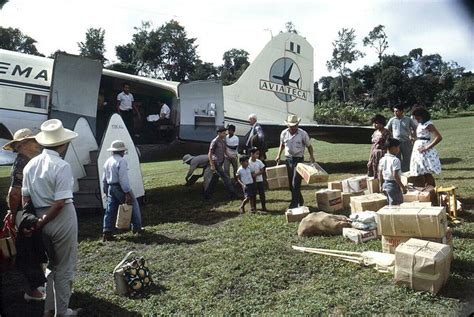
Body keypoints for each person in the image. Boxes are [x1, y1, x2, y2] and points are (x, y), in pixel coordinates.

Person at [22, 119, 80, 316]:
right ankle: (62, 312)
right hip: (60, 219)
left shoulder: (30, 166)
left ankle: (50, 309)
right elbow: (60, 202)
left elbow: (26, 198)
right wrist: (41, 221)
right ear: (62, 144)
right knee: (65, 268)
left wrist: (33, 222)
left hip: (40, 216)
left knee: (52, 265)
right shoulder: (61, 165)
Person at [3, 128, 45, 302]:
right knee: (29, 251)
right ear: (22, 145)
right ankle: (34, 290)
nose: (37, 144)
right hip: (25, 212)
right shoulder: (22, 162)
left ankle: (38, 286)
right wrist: (13, 214)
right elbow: (14, 193)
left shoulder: (30, 160)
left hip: (30, 211)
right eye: (32, 141)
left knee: (34, 248)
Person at [102, 140, 144, 241]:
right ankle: (137, 227)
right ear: (121, 151)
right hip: (120, 187)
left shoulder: (108, 161)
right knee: (133, 204)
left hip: (110, 186)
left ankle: (107, 231)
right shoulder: (121, 161)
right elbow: (123, 178)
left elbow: (104, 178)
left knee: (110, 209)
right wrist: (127, 192)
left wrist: (105, 189)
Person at [275, 114, 315, 209]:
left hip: (299, 160)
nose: (293, 128)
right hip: (288, 160)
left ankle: (294, 204)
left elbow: (309, 146)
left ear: (297, 125)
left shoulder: (303, 134)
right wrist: (278, 155)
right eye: (291, 126)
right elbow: (282, 145)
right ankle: (300, 201)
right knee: (290, 184)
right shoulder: (284, 133)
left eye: (295, 126)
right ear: (288, 126)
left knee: (295, 183)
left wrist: (312, 156)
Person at [410, 107, 442, 187]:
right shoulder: (420, 124)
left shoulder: (428, 124)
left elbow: (438, 137)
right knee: (420, 171)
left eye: (417, 117)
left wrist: (426, 147)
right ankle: (424, 190)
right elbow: (421, 136)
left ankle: (431, 190)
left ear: (421, 115)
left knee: (426, 172)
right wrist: (414, 139)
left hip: (425, 150)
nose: (415, 119)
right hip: (418, 150)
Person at [204, 127, 237, 200]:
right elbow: (210, 153)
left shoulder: (223, 141)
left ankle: (207, 195)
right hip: (216, 162)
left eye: (225, 132)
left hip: (220, 162)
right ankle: (233, 194)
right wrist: (212, 165)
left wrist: (231, 156)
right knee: (226, 178)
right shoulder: (214, 141)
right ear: (219, 133)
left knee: (214, 180)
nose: (225, 134)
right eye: (223, 133)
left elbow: (225, 151)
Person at [385, 105, 417, 172]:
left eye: (397, 111)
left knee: (407, 157)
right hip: (396, 143)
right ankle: (398, 172)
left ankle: (408, 172)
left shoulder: (408, 119)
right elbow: (387, 129)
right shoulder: (392, 120)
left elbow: (415, 128)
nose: (395, 113)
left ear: (402, 111)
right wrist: (390, 137)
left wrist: (413, 136)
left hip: (406, 142)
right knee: (396, 158)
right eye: (394, 111)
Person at [378, 138, 407, 206]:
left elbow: (380, 173)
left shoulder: (382, 159)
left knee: (390, 203)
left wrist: (380, 185)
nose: (399, 149)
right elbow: (395, 175)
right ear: (394, 148)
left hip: (385, 184)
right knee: (397, 205)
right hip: (393, 185)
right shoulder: (395, 160)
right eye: (398, 147)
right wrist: (403, 187)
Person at [367, 114, 390, 179]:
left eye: (376, 123)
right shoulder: (375, 133)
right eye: (373, 123)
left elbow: (388, 145)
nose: (374, 125)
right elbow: (373, 146)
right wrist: (370, 158)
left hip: (383, 154)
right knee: (375, 169)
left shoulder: (386, 132)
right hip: (375, 154)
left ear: (381, 123)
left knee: (383, 170)